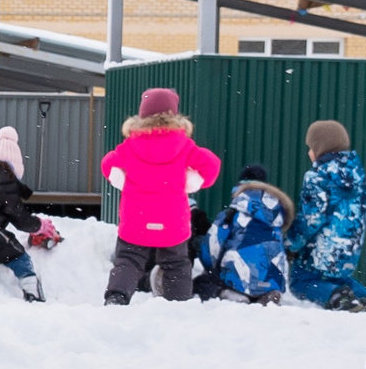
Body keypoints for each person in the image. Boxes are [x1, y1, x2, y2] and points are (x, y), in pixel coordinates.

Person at [100, 87, 221, 304]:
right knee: (176, 264)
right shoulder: (184, 145)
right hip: (172, 221)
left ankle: (117, 297)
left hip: (136, 217)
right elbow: (212, 164)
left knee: (128, 260)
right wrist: (194, 181)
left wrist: (121, 179)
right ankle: (179, 303)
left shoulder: (130, 145)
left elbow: (108, 163)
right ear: (173, 114)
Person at [288, 121, 366, 311]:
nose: (308, 153)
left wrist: (291, 244)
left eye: (310, 148)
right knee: (338, 277)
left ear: (320, 148)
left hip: (321, 249)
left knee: (300, 281)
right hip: (349, 247)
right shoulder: (356, 176)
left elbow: (311, 219)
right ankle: (364, 298)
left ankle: (337, 298)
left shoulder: (317, 178)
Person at [201, 163, 294, 304]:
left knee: (202, 282)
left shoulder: (231, 214)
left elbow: (211, 248)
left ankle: (228, 293)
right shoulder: (276, 219)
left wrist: (210, 267)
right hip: (272, 280)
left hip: (238, 277)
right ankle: (267, 292)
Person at [0, 127, 46, 304]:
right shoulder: (6, 179)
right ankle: (32, 289)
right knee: (18, 255)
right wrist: (38, 226)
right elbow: (18, 216)